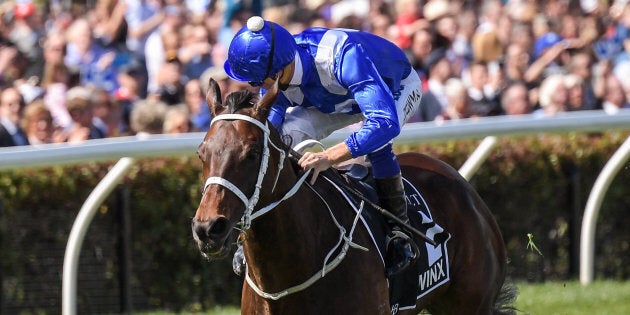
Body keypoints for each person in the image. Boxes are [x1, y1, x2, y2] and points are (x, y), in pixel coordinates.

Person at [223, 16, 422, 276]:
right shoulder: (278, 69)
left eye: (257, 81)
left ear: (278, 71)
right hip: (335, 98)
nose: (257, 87)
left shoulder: (342, 58)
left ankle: (399, 230)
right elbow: (268, 134)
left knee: (377, 142)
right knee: (280, 139)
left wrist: (329, 157)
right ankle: (256, 228)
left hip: (393, 87)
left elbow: (384, 122)